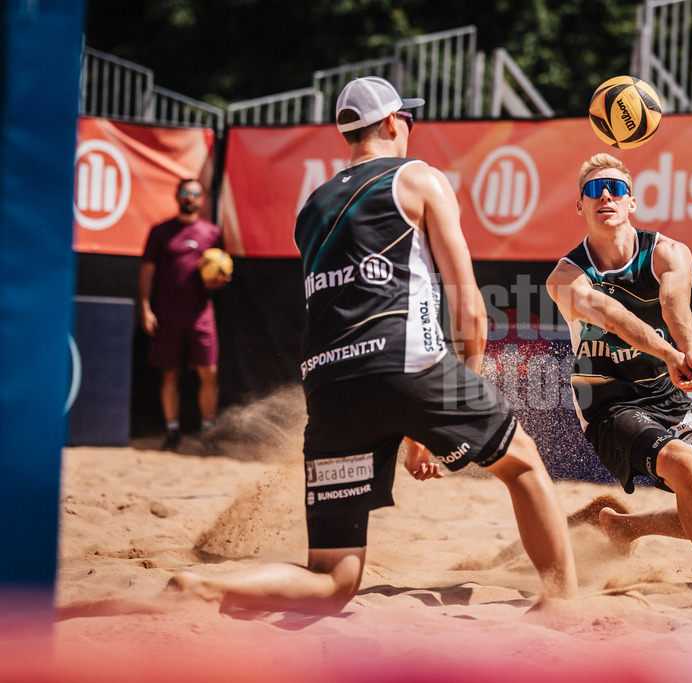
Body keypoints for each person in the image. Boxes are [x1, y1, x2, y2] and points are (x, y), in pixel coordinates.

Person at [165, 77, 577, 614]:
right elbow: (468, 305)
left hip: (330, 388)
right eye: (407, 118)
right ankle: (566, 603)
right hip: (408, 364)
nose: (410, 127)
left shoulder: (311, 208)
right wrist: (461, 387)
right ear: (389, 123)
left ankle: (201, 588)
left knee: (333, 580)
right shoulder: (419, 178)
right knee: (522, 463)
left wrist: (418, 429)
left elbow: (349, 316)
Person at [546, 153, 692, 599]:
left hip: (664, 394)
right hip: (606, 402)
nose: (606, 195)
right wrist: (669, 352)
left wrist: (690, 349)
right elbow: (613, 315)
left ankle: (625, 527)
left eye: (616, 189)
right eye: (594, 190)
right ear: (578, 206)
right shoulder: (565, 277)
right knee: (681, 463)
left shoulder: (668, 251)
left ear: (632, 202)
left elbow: (674, 302)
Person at [139, 179, 227, 454]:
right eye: (186, 192)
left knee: (209, 373)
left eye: (195, 193)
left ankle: (208, 432)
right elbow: (147, 272)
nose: (190, 197)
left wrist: (219, 280)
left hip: (201, 314)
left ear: (202, 199)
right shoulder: (160, 232)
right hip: (167, 314)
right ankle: (172, 431)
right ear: (177, 196)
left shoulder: (212, 232)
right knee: (169, 374)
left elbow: (221, 274)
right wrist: (145, 307)